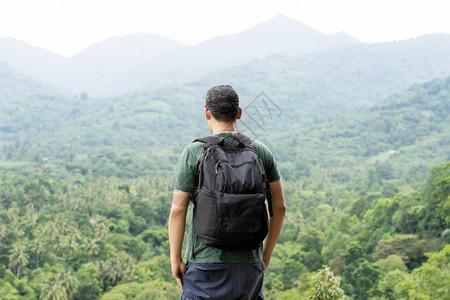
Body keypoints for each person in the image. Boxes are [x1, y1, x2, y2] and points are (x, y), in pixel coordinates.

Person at [168, 85, 286, 300]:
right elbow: (279, 207)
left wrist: (175, 259)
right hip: (249, 265)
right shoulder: (261, 151)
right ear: (239, 113)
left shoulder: (194, 152)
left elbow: (178, 211)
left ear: (207, 113)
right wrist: (265, 255)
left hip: (204, 264)